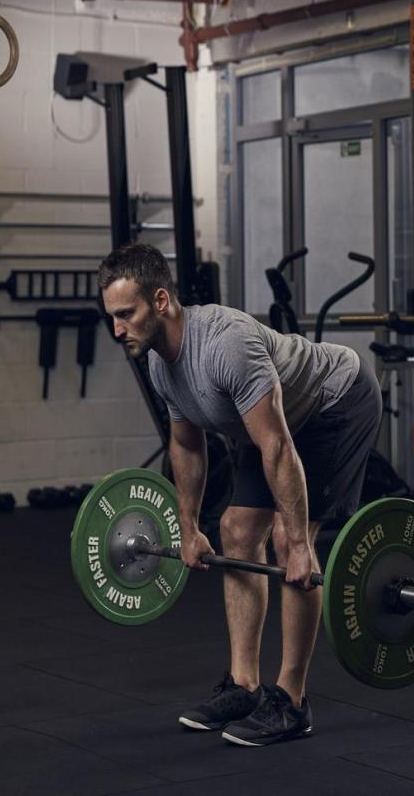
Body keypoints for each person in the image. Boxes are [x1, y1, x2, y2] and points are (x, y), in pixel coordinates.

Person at [97, 242, 383, 747]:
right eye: (112, 317)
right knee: (233, 529)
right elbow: (187, 446)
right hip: (276, 426)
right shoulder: (162, 365)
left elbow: (276, 445)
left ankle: (292, 701)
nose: (117, 330)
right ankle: (245, 686)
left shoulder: (226, 344)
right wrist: (189, 528)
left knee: (289, 540)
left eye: (126, 314)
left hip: (335, 402)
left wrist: (296, 542)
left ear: (160, 301)